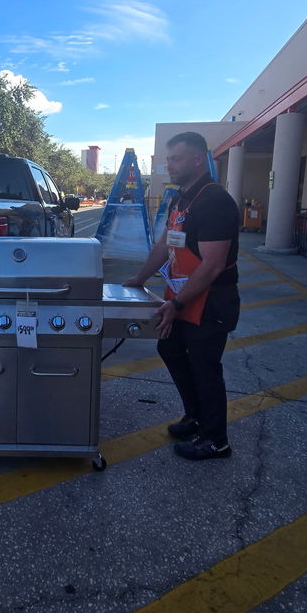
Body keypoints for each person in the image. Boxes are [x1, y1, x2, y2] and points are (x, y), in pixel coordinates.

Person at [124, 131, 240, 460]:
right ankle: (196, 417)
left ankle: (216, 440)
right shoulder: (182, 198)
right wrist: (140, 278)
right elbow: (166, 243)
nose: (169, 165)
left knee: (204, 367)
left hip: (210, 301)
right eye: (168, 159)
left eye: (176, 159)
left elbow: (212, 265)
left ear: (198, 159)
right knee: (170, 348)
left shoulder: (214, 200)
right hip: (183, 297)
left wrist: (176, 303)